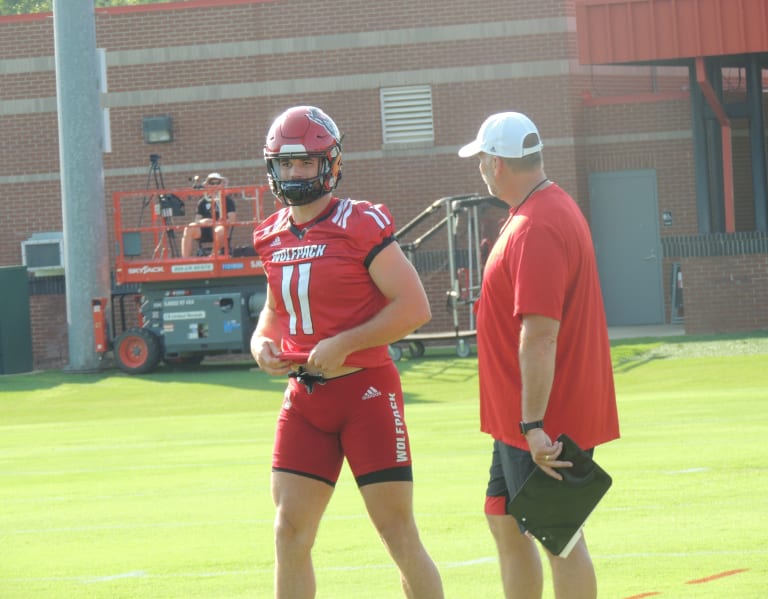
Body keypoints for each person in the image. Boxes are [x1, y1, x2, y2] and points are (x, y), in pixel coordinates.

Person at [250, 105, 444, 599]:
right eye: (287, 163)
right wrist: (261, 344)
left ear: (329, 164)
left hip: (366, 393)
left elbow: (414, 306)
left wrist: (345, 343)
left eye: (306, 163)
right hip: (305, 399)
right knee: (288, 533)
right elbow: (274, 310)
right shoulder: (270, 235)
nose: (296, 173)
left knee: (397, 534)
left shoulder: (359, 222)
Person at [458, 112, 620, 599]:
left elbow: (540, 335)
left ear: (498, 163)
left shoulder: (537, 225)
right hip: (520, 415)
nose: (480, 169)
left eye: (482, 159)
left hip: (543, 418)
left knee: (560, 539)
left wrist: (532, 425)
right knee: (505, 523)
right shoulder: (537, 211)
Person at [181, 172, 237, 257]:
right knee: (189, 228)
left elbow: (232, 219)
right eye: (211, 183)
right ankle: (185, 260)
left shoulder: (227, 200)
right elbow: (197, 220)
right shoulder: (203, 202)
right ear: (207, 185)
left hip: (219, 228)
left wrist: (216, 222)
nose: (214, 186)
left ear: (222, 184)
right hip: (205, 229)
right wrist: (202, 221)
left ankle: (213, 255)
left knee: (220, 230)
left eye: (217, 183)